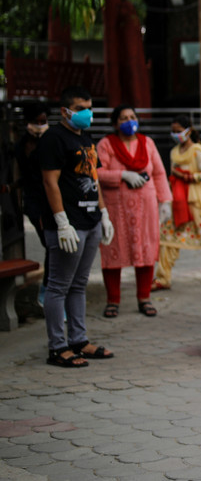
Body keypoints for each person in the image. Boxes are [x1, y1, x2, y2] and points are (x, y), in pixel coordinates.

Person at [39, 86, 116, 367]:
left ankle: (79, 340)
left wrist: (104, 214)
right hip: (68, 224)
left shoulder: (85, 136)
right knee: (59, 285)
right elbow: (50, 182)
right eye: (80, 107)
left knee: (79, 285)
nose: (87, 112)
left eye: (89, 107)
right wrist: (61, 222)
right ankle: (57, 347)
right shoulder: (53, 139)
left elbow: (93, 175)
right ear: (65, 111)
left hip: (91, 219)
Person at [96, 105, 172, 318]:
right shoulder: (106, 144)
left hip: (145, 207)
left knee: (146, 250)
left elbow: (158, 172)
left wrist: (165, 201)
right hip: (116, 208)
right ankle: (112, 300)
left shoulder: (147, 143)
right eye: (123, 118)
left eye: (132, 117)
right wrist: (122, 175)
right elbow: (97, 172)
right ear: (115, 123)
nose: (129, 121)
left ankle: (144, 298)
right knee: (113, 251)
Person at [155, 114, 201, 291]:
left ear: (188, 131)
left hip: (195, 200)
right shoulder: (174, 152)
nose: (175, 134)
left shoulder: (197, 150)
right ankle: (163, 277)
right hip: (177, 200)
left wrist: (187, 176)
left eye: (178, 131)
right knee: (166, 237)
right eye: (173, 132)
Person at [15, 102, 51, 307]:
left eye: (43, 121)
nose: (39, 125)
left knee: (56, 249)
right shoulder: (22, 146)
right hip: (35, 204)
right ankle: (47, 292)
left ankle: (52, 291)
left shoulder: (52, 140)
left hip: (55, 202)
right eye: (35, 122)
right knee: (51, 246)